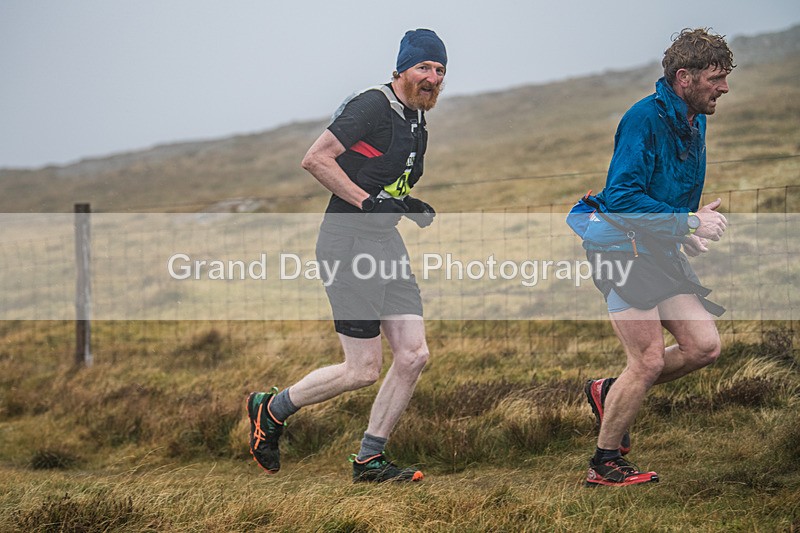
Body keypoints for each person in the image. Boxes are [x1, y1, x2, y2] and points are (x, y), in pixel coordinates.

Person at [247, 28, 446, 483]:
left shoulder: (417, 119)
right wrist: (366, 202)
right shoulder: (372, 105)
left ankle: (369, 460)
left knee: (413, 355)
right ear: (401, 69)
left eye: (439, 70)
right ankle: (270, 409)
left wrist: (403, 204)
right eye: (423, 67)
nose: (432, 77)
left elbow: (382, 177)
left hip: (384, 243)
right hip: (347, 244)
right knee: (361, 369)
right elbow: (316, 158)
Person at [578, 28, 734, 486]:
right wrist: (686, 222)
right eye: (716, 78)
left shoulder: (694, 117)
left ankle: (607, 391)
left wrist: (683, 227)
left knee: (704, 347)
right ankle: (604, 464)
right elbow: (623, 197)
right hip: (619, 247)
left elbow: (669, 190)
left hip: (657, 247)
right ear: (684, 77)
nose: (723, 88)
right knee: (645, 361)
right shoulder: (643, 119)